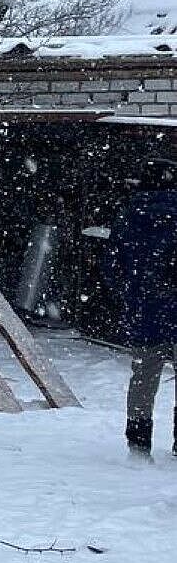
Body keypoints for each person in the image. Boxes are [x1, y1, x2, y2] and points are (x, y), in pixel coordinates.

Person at [110, 168, 177, 458]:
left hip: (144, 310)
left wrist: (131, 291)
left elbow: (113, 263)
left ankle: (138, 441)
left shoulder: (128, 215)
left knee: (143, 377)